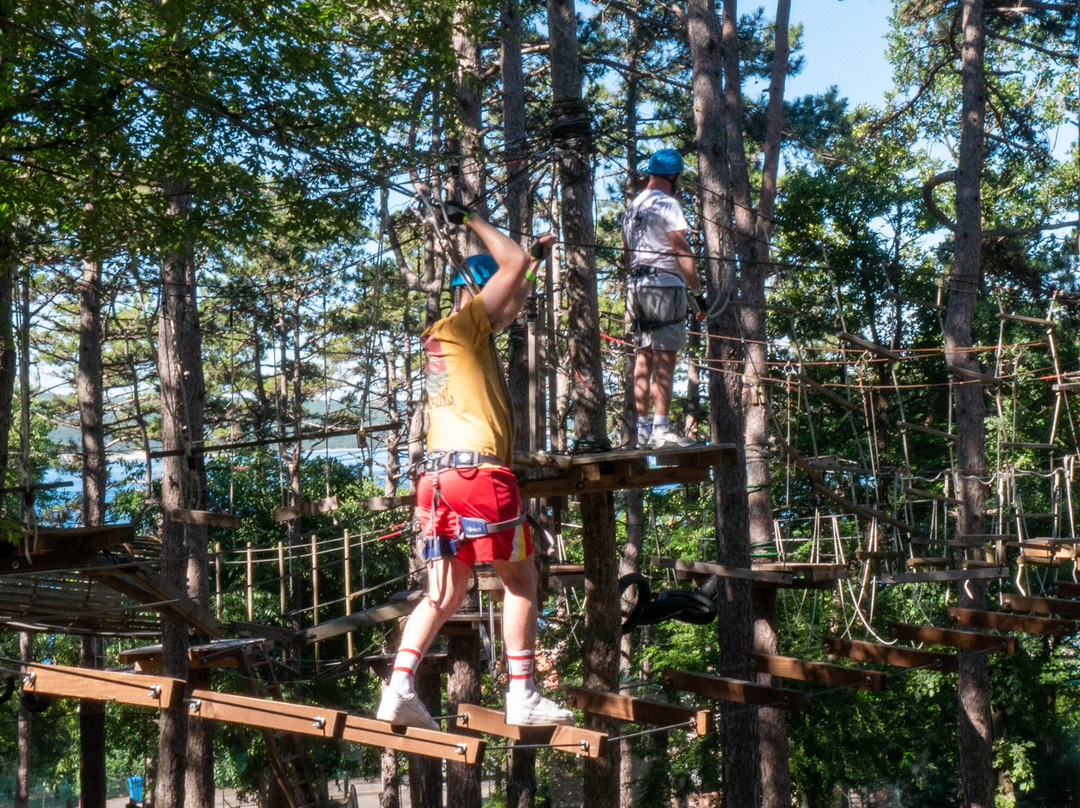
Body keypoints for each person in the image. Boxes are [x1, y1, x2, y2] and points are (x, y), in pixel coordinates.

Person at [376, 206, 572, 730]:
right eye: (507, 301)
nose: (512, 313)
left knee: (444, 593)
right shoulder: (466, 325)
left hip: (436, 483)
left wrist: (535, 260)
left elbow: (514, 276)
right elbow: (506, 265)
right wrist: (476, 219)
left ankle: (397, 687)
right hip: (480, 479)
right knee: (522, 581)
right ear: (479, 295)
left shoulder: (447, 335)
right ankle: (522, 693)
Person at [622, 148, 705, 449]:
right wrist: (697, 292)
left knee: (643, 357)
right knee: (665, 359)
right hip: (663, 284)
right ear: (673, 176)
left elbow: (629, 253)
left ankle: (643, 431)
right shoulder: (668, 204)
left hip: (636, 285)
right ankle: (660, 430)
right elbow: (680, 248)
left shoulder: (632, 208)